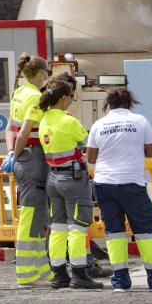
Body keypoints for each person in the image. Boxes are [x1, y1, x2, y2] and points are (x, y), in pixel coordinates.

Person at [86, 88, 152, 292]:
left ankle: (120, 282)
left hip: (104, 183)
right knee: (145, 230)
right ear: (129, 102)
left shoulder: (98, 124)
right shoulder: (139, 121)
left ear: (109, 104)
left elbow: (91, 157)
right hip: (130, 182)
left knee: (114, 232)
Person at [37, 79, 102, 289]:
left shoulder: (45, 120)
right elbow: (90, 143)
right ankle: (79, 273)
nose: (71, 101)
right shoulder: (69, 121)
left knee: (58, 227)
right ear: (64, 98)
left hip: (53, 179)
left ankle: (58, 273)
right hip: (72, 181)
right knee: (78, 227)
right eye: (72, 97)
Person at [9, 53, 53, 287]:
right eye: (47, 71)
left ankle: (42, 270)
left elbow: (10, 128)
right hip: (33, 158)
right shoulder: (36, 97)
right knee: (32, 217)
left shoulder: (19, 92)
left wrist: (12, 155)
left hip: (24, 159)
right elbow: (25, 132)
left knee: (38, 216)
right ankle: (27, 275)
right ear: (42, 73)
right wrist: (17, 154)